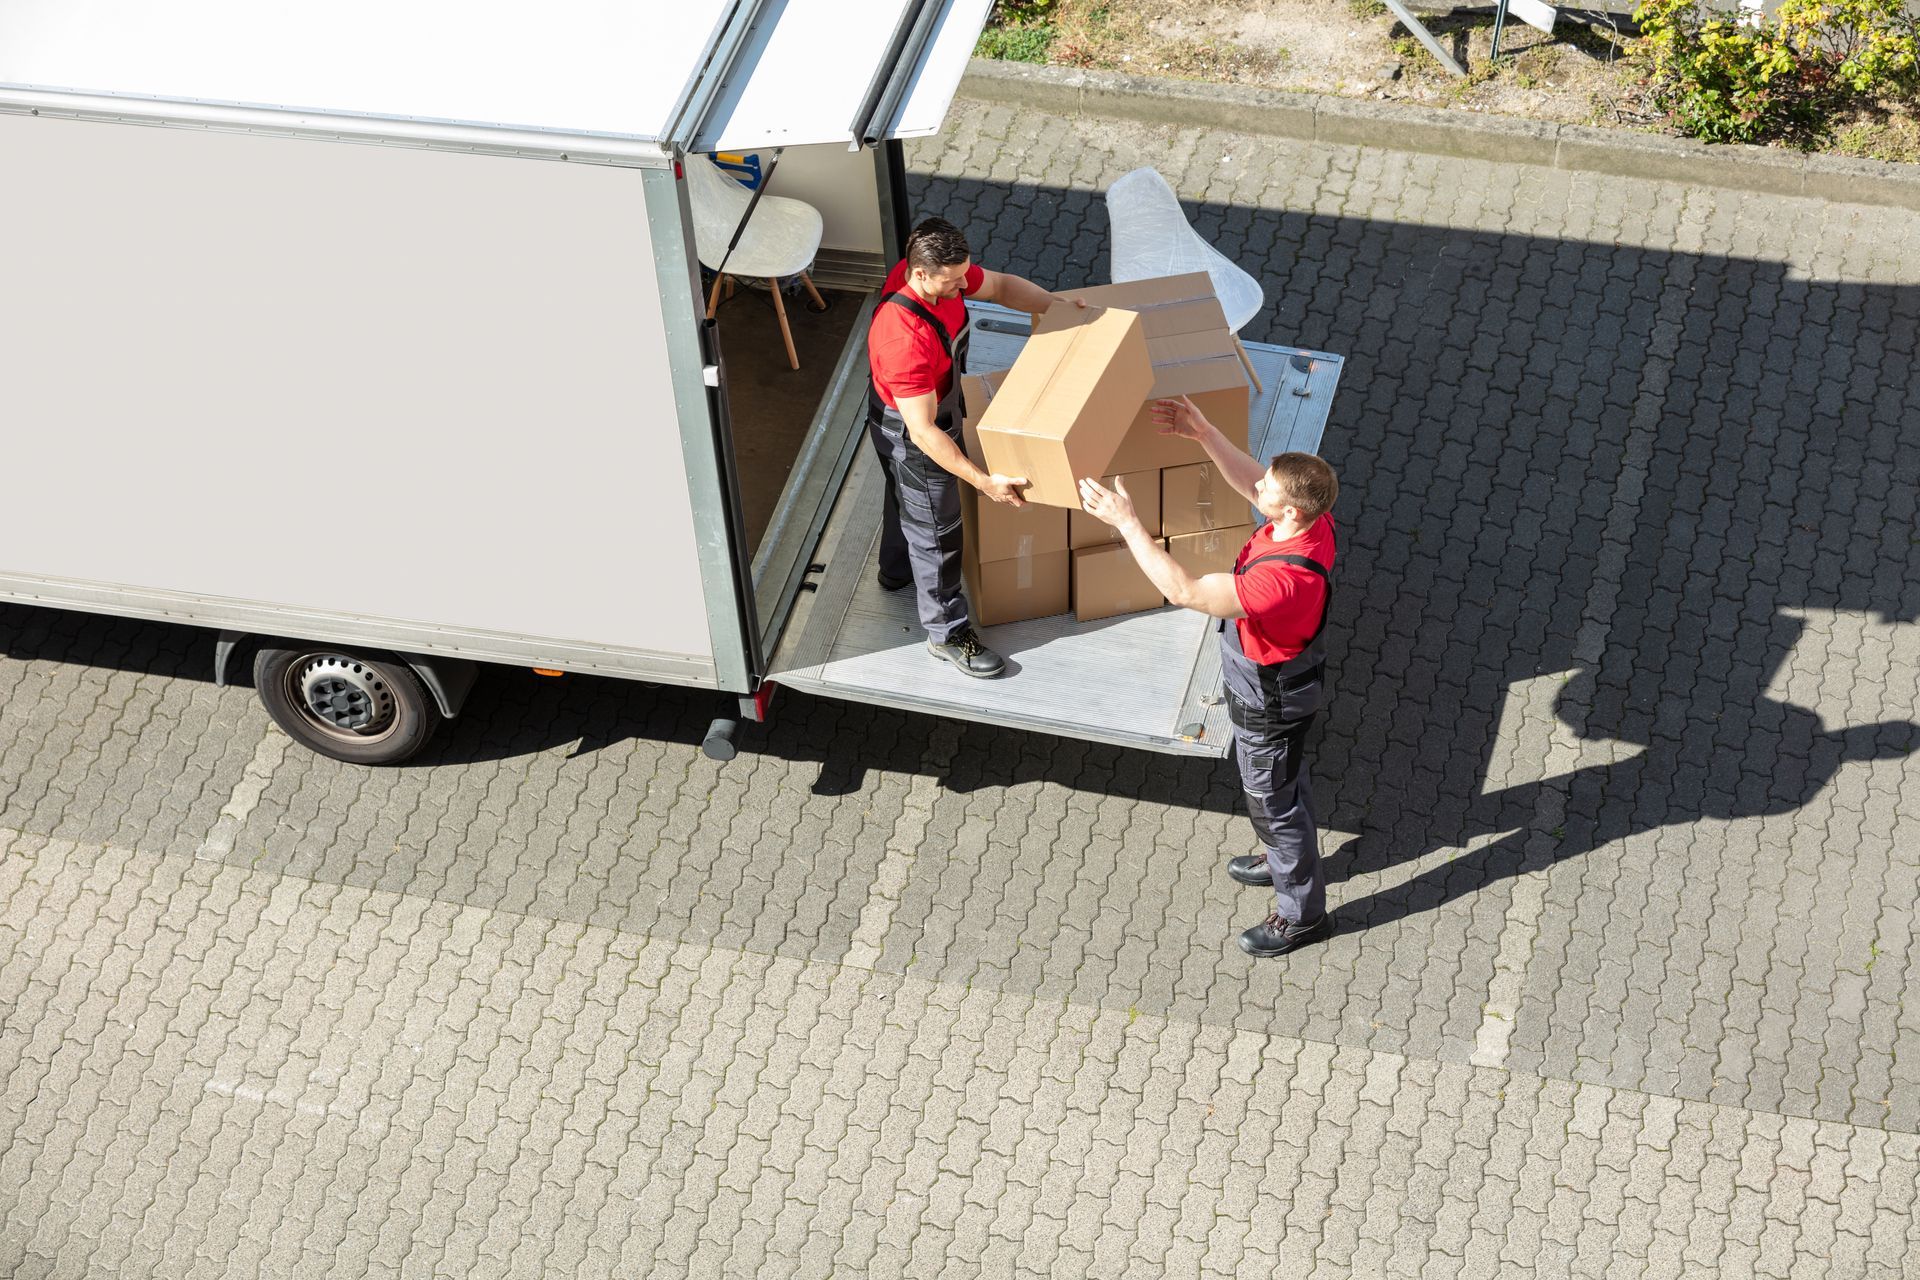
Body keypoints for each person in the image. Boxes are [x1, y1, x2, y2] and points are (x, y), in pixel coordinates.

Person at [1076, 395, 1340, 958]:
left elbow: (1186, 593)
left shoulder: (1283, 581)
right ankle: (1282, 857)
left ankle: (1303, 915)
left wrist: (1126, 523)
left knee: (1273, 800)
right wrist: (1204, 433)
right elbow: (1252, 483)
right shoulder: (1310, 523)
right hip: (1279, 683)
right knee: (1283, 783)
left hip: (1270, 699)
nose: (1259, 485)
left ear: (1292, 511)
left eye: (1270, 486)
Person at [866, 217, 1081, 678]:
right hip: (915, 432)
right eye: (954, 280)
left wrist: (1058, 307)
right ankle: (947, 633)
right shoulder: (903, 338)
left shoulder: (935, 273)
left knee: (902, 499)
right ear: (920, 274)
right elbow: (923, 433)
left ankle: (895, 571)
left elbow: (1001, 286)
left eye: (965, 274)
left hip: (916, 412)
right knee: (939, 533)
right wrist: (983, 482)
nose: (965, 284)